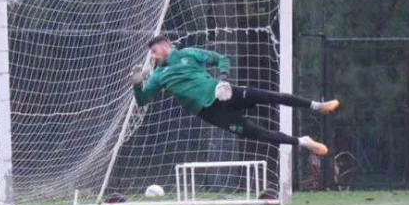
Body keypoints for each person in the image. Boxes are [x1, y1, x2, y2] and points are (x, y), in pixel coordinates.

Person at [130, 36, 338, 156]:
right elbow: (142, 100)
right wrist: (138, 85)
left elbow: (221, 58)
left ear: (166, 46)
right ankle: (303, 142)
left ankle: (317, 106)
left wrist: (222, 78)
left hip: (223, 93)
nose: (153, 56)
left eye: (155, 51)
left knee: (270, 96)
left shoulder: (188, 54)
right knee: (256, 132)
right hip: (209, 112)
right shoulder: (158, 76)